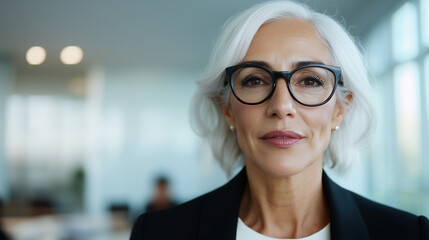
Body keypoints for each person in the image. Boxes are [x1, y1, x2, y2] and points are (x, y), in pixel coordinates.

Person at [130, 1, 429, 239]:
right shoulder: (156, 233)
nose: (282, 106)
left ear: (340, 109)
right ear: (228, 109)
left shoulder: (410, 234)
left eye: (310, 81)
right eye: (255, 80)